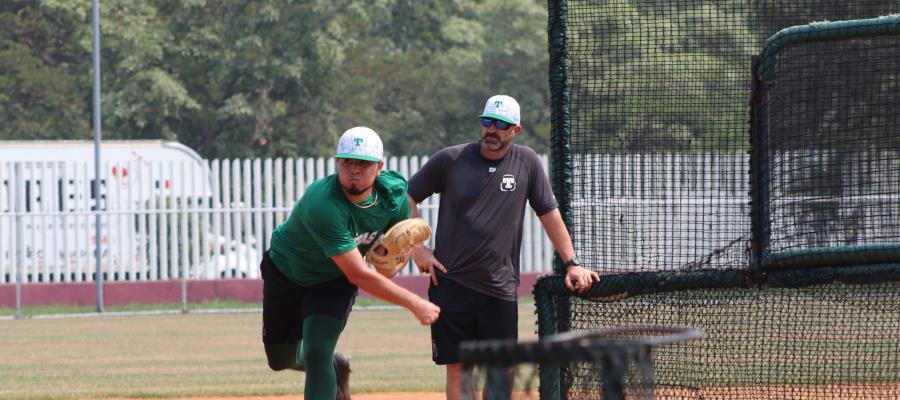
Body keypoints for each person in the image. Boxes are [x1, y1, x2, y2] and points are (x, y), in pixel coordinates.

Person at [407, 94, 601, 400]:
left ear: (515, 130)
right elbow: (406, 196)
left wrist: (572, 263)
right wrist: (416, 245)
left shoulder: (527, 162)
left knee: (502, 371)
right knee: (459, 370)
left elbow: (549, 214)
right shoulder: (451, 159)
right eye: (487, 122)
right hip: (450, 284)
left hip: (499, 288)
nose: (492, 130)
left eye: (501, 124)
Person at [261, 126, 441, 400]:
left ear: (379, 166)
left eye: (364, 163)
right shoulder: (322, 203)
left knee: (316, 351)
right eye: (348, 162)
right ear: (338, 163)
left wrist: (395, 256)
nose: (355, 169)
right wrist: (415, 303)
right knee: (279, 360)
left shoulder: (394, 197)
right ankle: (337, 366)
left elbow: (386, 270)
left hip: (333, 280)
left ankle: (326, 365)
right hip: (287, 271)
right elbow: (359, 273)